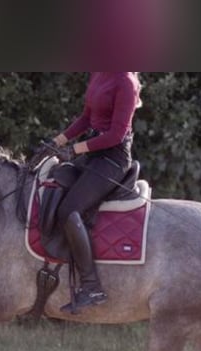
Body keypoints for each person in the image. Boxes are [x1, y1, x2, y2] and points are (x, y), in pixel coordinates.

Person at [51, 72, 142, 314]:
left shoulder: (126, 82)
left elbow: (116, 135)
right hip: (92, 155)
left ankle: (92, 287)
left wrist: (75, 149)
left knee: (69, 210)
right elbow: (86, 118)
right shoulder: (99, 73)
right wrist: (57, 141)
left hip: (112, 160)